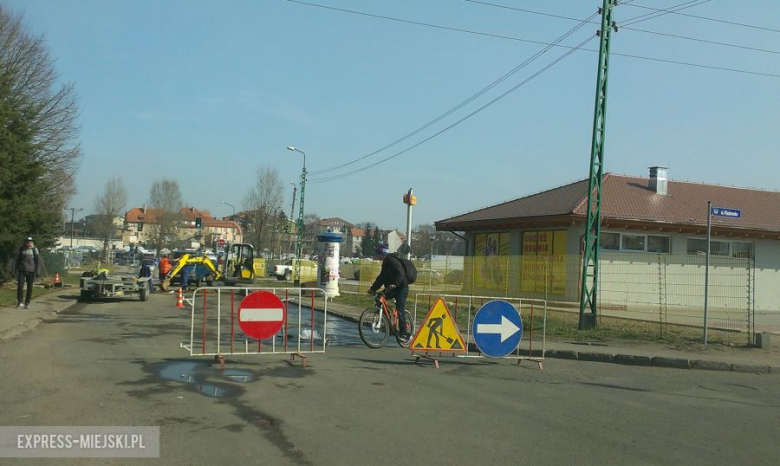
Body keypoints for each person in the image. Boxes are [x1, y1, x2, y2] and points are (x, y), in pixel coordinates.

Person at [367, 243, 411, 338]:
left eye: (377, 254)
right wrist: (372, 289)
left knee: (400, 309)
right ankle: (387, 322)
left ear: (381, 254)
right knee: (379, 297)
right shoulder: (386, 263)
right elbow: (381, 278)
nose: (376, 256)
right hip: (393, 288)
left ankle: (404, 332)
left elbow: (401, 273)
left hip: (401, 288)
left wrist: (395, 284)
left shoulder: (392, 261)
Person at [14, 237, 41, 309]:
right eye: (28, 242)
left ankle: (27, 303)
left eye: (31, 242)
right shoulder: (21, 249)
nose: (29, 243)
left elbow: (38, 262)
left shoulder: (34, 250)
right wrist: (14, 270)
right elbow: (16, 261)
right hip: (22, 270)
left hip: (31, 271)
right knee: (20, 286)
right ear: (25, 242)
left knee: (30, 287)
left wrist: (38, 271)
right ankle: (19, 302)